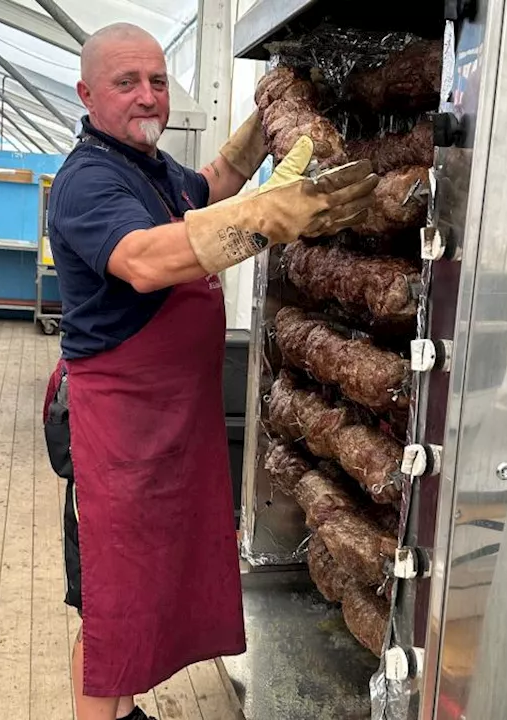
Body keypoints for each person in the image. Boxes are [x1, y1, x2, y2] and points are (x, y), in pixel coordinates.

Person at [43, 22, 377, 720]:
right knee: (112, 599)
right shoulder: (86, 179)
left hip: (170, 425)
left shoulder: (153, 168)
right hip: (119, 430)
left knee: (150, 587)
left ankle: (126, 711)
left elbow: (213, 185)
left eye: (157, 82)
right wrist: (268, 219)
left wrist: (269, 120)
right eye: (127, 83)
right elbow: (144, 260)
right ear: (87, 92)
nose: (147, 97)